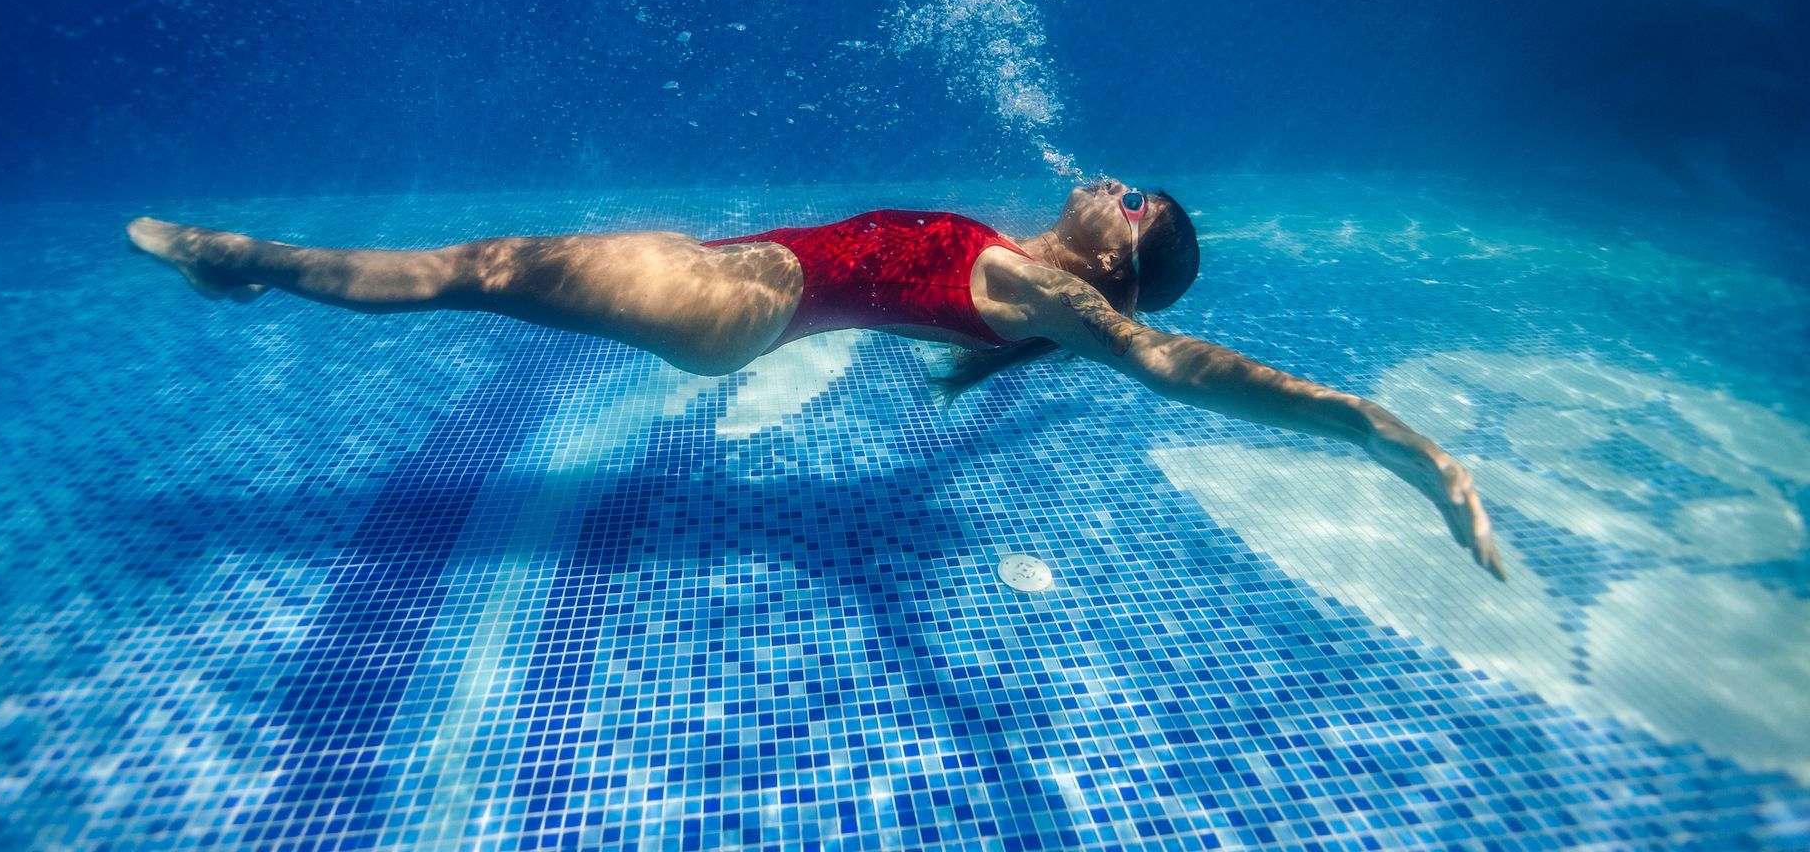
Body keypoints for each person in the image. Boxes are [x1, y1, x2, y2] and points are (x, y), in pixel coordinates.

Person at [126, 179, 1505, 579]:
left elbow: (1160, 364)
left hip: (743, 294)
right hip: (735, 274)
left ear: (1116, 257)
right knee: (481, 269)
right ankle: (253, 267)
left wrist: (1380, 433)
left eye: (1131, 198)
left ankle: (247, 263)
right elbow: (1065, 362)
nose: (1106, 179)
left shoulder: (1039, 293)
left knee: (476, 269)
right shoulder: (1026, 295)